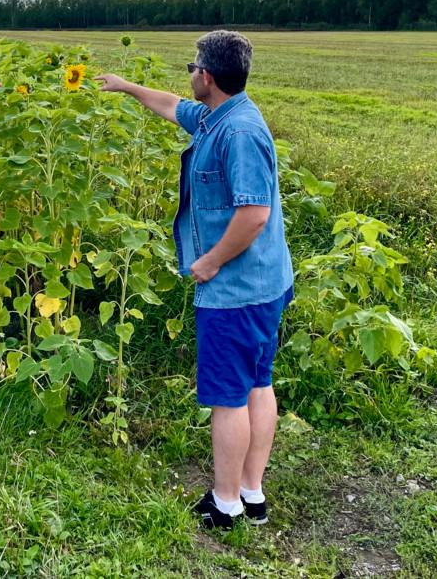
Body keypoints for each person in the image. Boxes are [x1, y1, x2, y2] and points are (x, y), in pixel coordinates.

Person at [97, 30, 294, 530]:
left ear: (207, 75)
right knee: (257, 383)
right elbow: (170, 106)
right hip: (262, 284)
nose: (188, 77)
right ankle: (253, 494)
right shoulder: (218, 114)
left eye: (192, 68)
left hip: (236, 287)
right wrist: (125, 86)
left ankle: (226, 503)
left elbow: (253, 213)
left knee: (229, 396)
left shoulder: (238, 133)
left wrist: (209, 263)